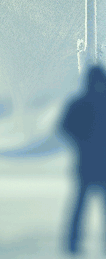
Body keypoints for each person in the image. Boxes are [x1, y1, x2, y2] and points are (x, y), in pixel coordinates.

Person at [61, 65, 106, 255]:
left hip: (87, 163)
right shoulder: (92, 103)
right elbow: (65, 126)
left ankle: (72, 242)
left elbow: (65, 126)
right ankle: (72, 242)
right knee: (81, 204)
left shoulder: (79, 102)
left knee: (80, 205)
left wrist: (80, 141)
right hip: (98, 163)